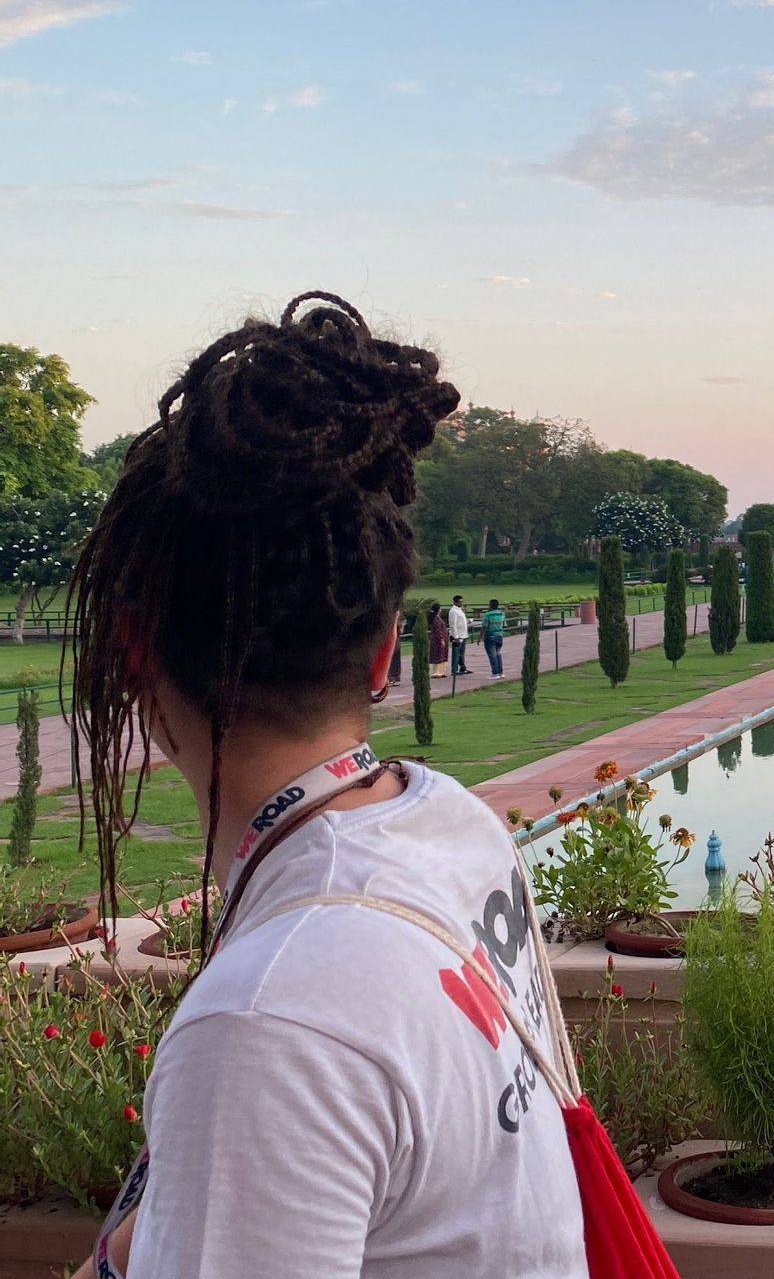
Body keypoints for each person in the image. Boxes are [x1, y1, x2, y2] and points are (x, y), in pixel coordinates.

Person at [69, 293, 587, 1276]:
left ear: (135, 650)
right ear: (389, 650)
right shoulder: (450, 826)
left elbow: (312, 1048)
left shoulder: (269, 1023)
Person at [446, 594, 471, 675]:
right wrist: (455, 636)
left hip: (463, 634)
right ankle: (454, 670)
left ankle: (462, 668)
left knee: (461, 654)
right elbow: (453, 625)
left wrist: (468, 621)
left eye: (462, 602)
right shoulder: (453, 611)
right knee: (456, 654)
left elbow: (461, 622)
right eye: (460, 602)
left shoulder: (459, 610)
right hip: (458, 636)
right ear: (455, 602)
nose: (461, 603)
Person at [482, 598, 507, 677]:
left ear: (490, 605)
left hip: (490, 635)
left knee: (492, 655)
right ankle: (500, 672)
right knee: (498, 653)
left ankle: (495, 672)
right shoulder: (501, 614)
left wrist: (480, 636)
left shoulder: (487, 614)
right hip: (499, 635)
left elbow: (484, 626)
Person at [426, 600, 449, 678]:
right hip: (437, 639)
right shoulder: (435, 619)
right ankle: (436, 672)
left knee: (442, 654)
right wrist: (441, 639)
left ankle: (441, 671)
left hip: (441, 638)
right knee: (438, 655)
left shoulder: (438, 618)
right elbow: (437, 630)